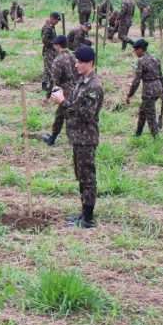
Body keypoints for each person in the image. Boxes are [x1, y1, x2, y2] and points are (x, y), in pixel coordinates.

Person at [50, 46, 104, 228]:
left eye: (79, 62)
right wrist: (63, 98)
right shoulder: (83, 82)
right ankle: (83, 213)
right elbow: (75, 104)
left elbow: (86, 114)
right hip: (77, 137)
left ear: (89, 63)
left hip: (86, 138)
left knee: (87, 177)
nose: (76, 65)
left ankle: (88, 219)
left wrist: (63, 102)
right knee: (81, 176)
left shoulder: (94, 86)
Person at [125, 39, 163, 138]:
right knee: (143, 111)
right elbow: (161, 75)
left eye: (135, 50)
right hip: (158, 87)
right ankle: (138, 133)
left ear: (141, 50)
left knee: (151, 116)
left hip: (149, 91)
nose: (135, 52)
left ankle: (156, 139)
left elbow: (136, 81)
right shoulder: (155, 58)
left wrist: (130, 95)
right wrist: (162, 90)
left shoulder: (141, 61)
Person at [42, 36, 76, 145]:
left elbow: (54, 81)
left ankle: (64, 139)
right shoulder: (72, 56)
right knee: (63, 114)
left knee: (64, 115)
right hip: (76, 88)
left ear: (57, 45)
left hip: (64, 91)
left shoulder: (58, 60)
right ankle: (53, 137)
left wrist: (48, 95)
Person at [40, 12, 61, 90]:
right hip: (48, 51)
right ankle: (49, 85)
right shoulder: (48, 28)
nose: (57, 22)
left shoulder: (51, 26)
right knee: (50, 68)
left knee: (47, 68)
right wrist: (54, 44)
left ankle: (45, 85)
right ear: (52, 18)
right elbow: (45, 40)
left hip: (51, 50)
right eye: (56, 20)